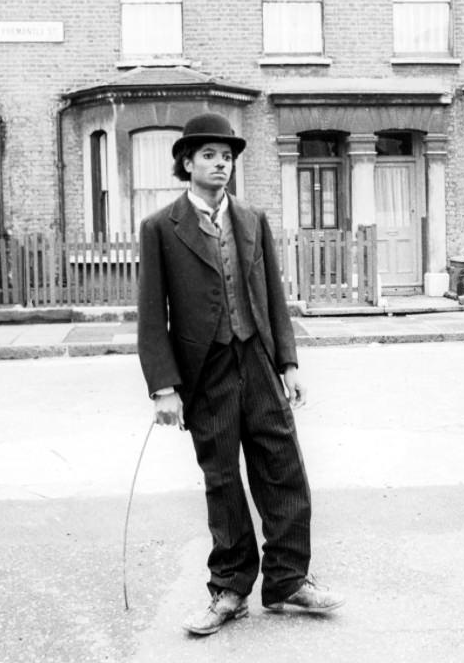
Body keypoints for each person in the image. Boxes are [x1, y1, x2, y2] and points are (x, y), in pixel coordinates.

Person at [136, 112, 344, 636]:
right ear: (187, 163)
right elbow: (150, 314)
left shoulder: (252, 220)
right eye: (209, 155)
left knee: (284, 469)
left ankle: (288, 580)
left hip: (256, 359)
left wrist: (289, 363)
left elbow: (273, 296)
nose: (221, 165)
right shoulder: (161, 227)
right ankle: (230, 589)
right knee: (223, 480)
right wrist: (164, 387)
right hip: (205, 372)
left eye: (227, 157)